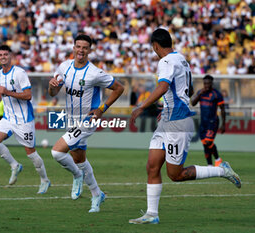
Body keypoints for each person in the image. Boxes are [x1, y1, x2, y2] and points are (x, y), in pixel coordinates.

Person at [129, 28, 241, 224]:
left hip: (177, 123)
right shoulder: (181, 59)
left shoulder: (165, 61)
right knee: (152, 166)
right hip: (169, 119)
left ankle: (222, 170)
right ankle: (151, 214)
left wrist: (142, 106)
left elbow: (163, 87)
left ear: (155, 46)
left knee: (176, 174)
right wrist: (166, 109)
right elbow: (181, 91)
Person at [48, 34, 124, 213]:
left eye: (85, 48)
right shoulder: (64, 67)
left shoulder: (95, 73)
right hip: (71, 118)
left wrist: (102, 109)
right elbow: (53, 92)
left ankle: (76, 175)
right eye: (78, 46)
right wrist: (52, 86)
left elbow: (119, 88)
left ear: (89, 50)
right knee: (79, 159)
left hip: (87, 120)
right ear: (73, 47)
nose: (81, 50)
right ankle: (97, 194)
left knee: (57, 152)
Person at [0, 45, 50, 194]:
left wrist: (8, 93)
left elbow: (28, 95)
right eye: (0, 55)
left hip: (24, 119)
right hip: (8, 117)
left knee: (30, 152)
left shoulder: (19, 73)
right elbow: (1, 91)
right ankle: (15, 166)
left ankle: (44, 180)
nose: (3, 57)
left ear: (10, 56)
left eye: (5, 54)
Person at [191, 75, 226, 167]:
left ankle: (218, 159)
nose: (206, 85)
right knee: (205, 144)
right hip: (203, 122)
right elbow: (193, 103)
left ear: (212, 83)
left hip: (212, 122)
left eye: (208, 83)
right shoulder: (201, 93)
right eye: (205, 83)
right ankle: (210, 165)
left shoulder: (216, 94)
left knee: (208, 142)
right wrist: (199, 94)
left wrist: (223, 124)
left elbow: (222, 109)